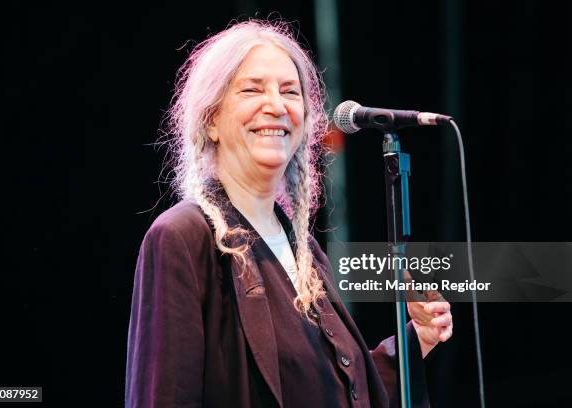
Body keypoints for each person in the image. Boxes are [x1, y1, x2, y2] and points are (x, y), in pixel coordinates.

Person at [125, 19, 453, 408]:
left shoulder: (304, 251)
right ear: (211, 120)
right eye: (252, 89)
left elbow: (335, 393)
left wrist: (414, 340)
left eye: (289, 91)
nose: (276, 106)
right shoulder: (182, 236)